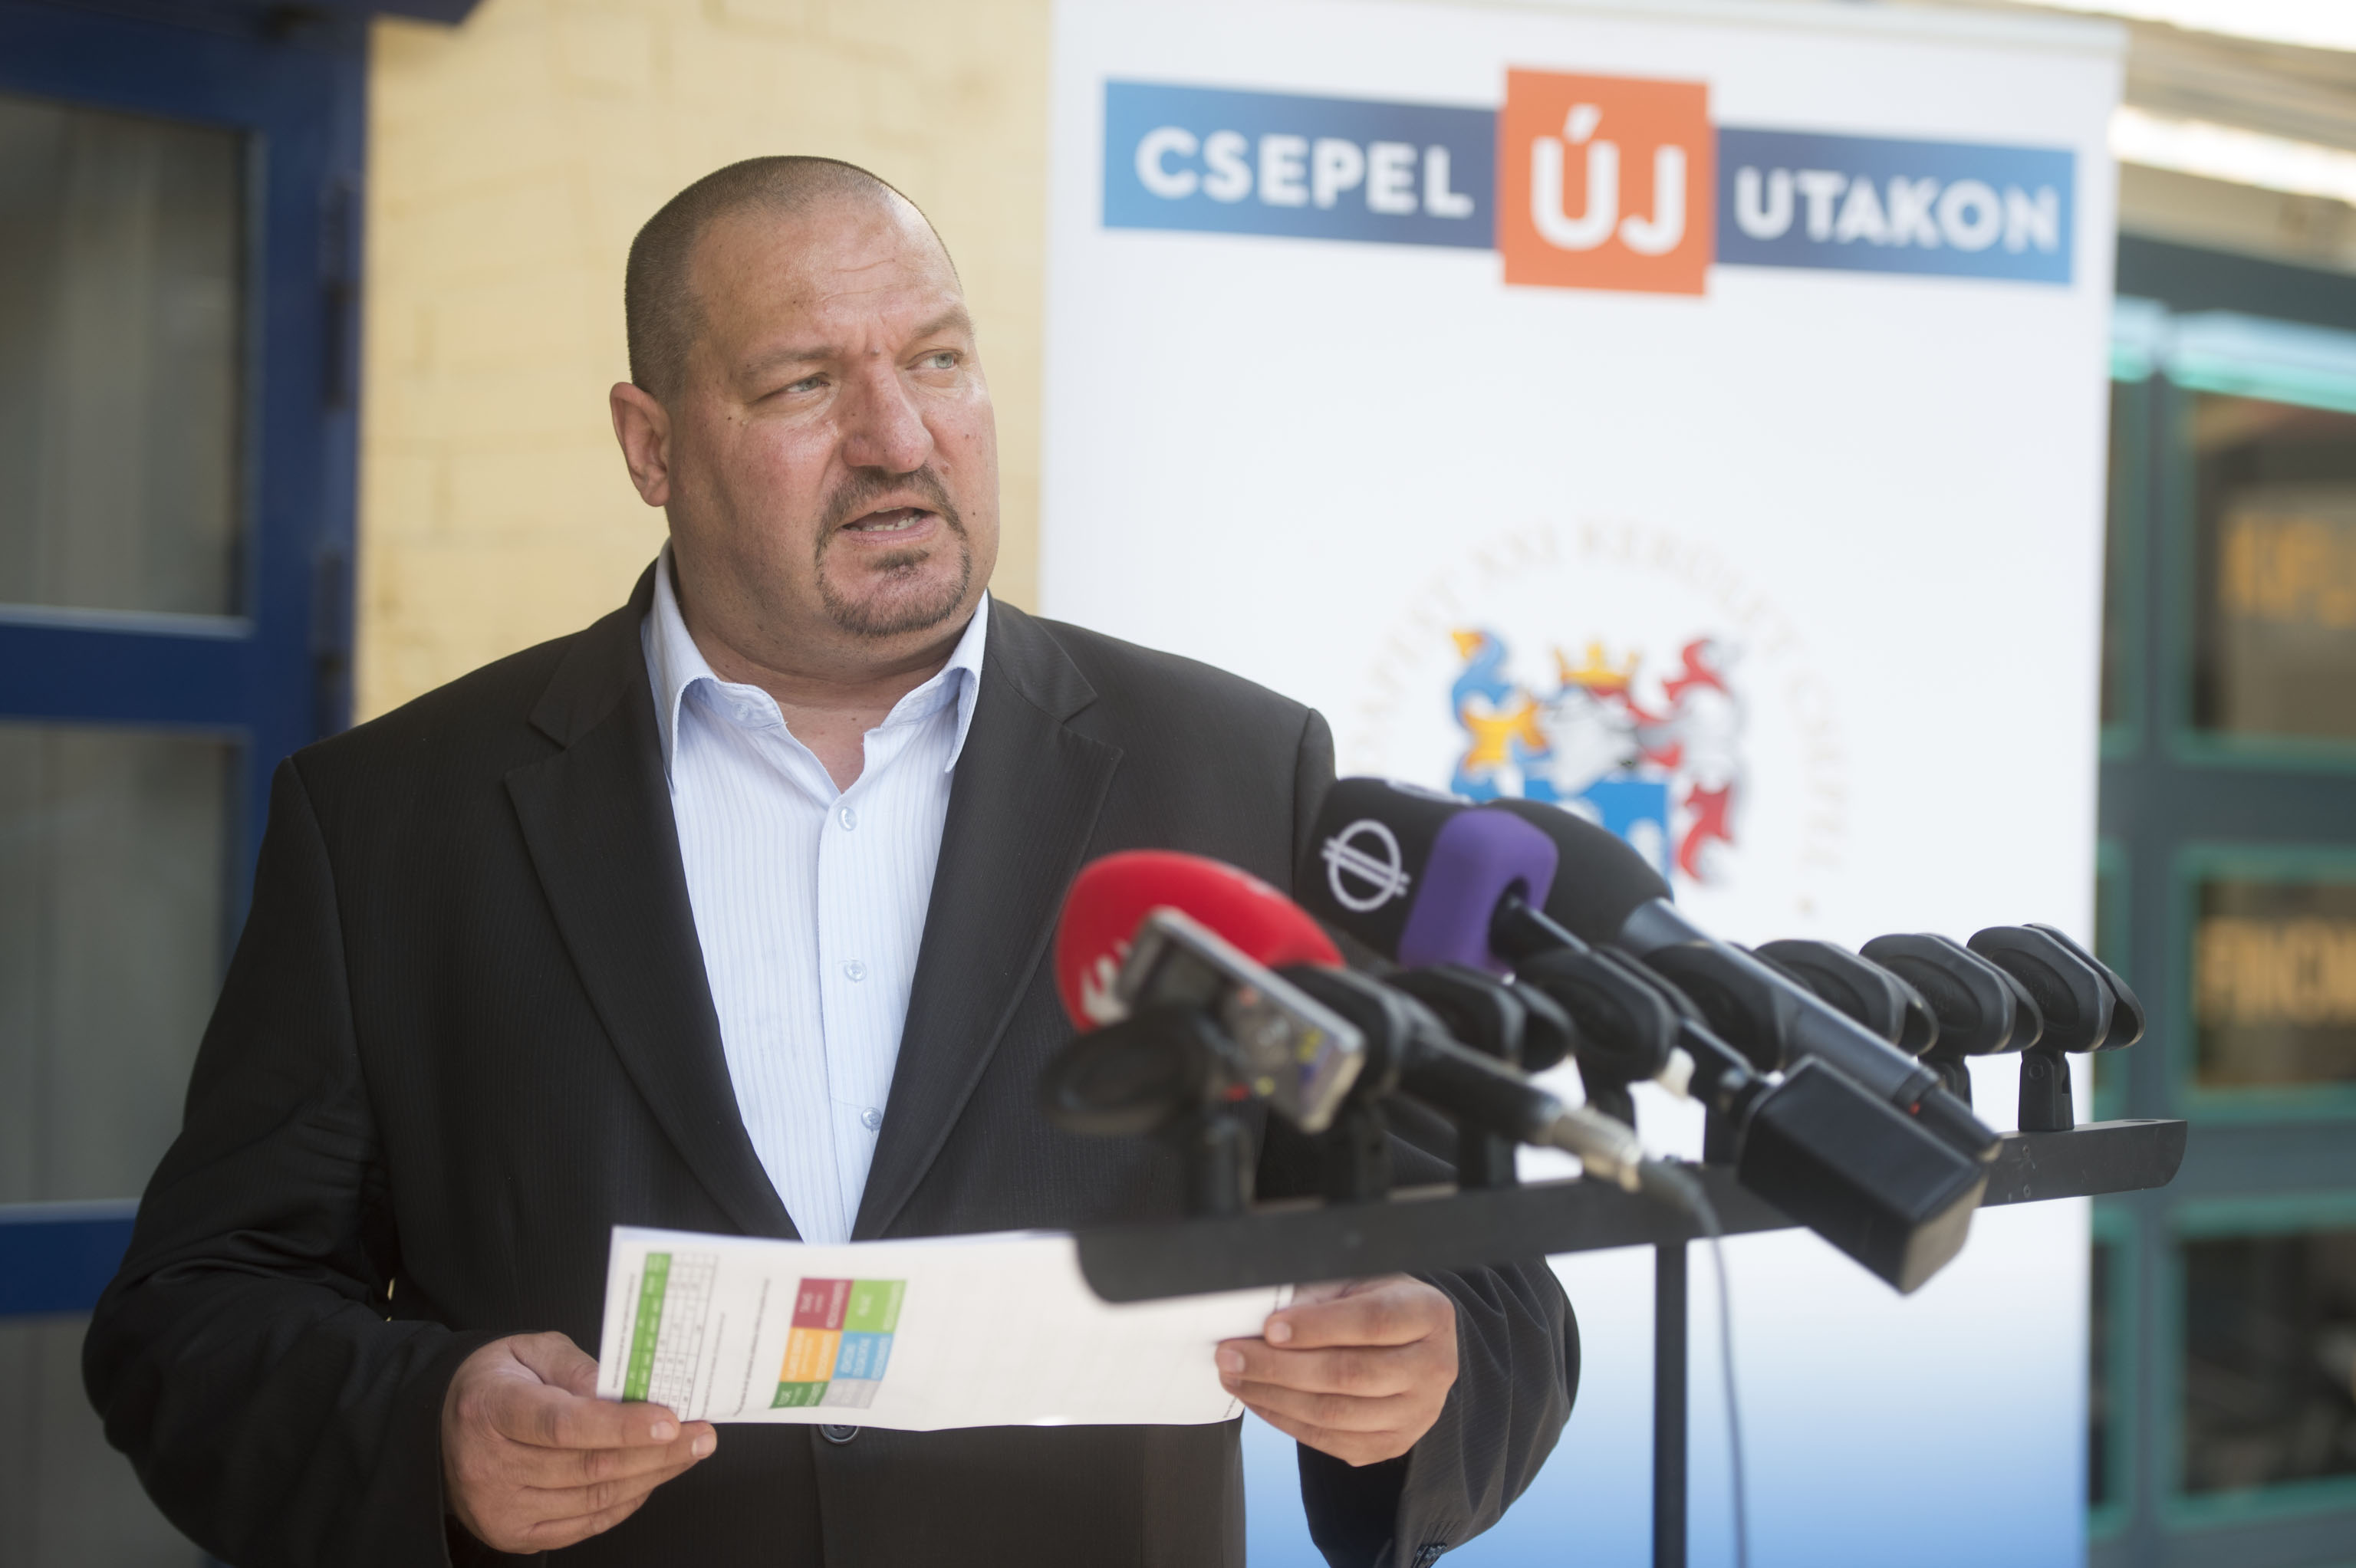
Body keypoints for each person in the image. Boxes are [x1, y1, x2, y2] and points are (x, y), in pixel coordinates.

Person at [84, 156, 1574, 1568]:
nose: (900, 438)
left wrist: (1425, 1355)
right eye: (804, 382)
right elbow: (191, 1320)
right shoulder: (395, 817)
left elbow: (1480, 1273)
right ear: (651, 445)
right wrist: (432, 1433)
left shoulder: (1240, 774)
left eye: (938, 360)